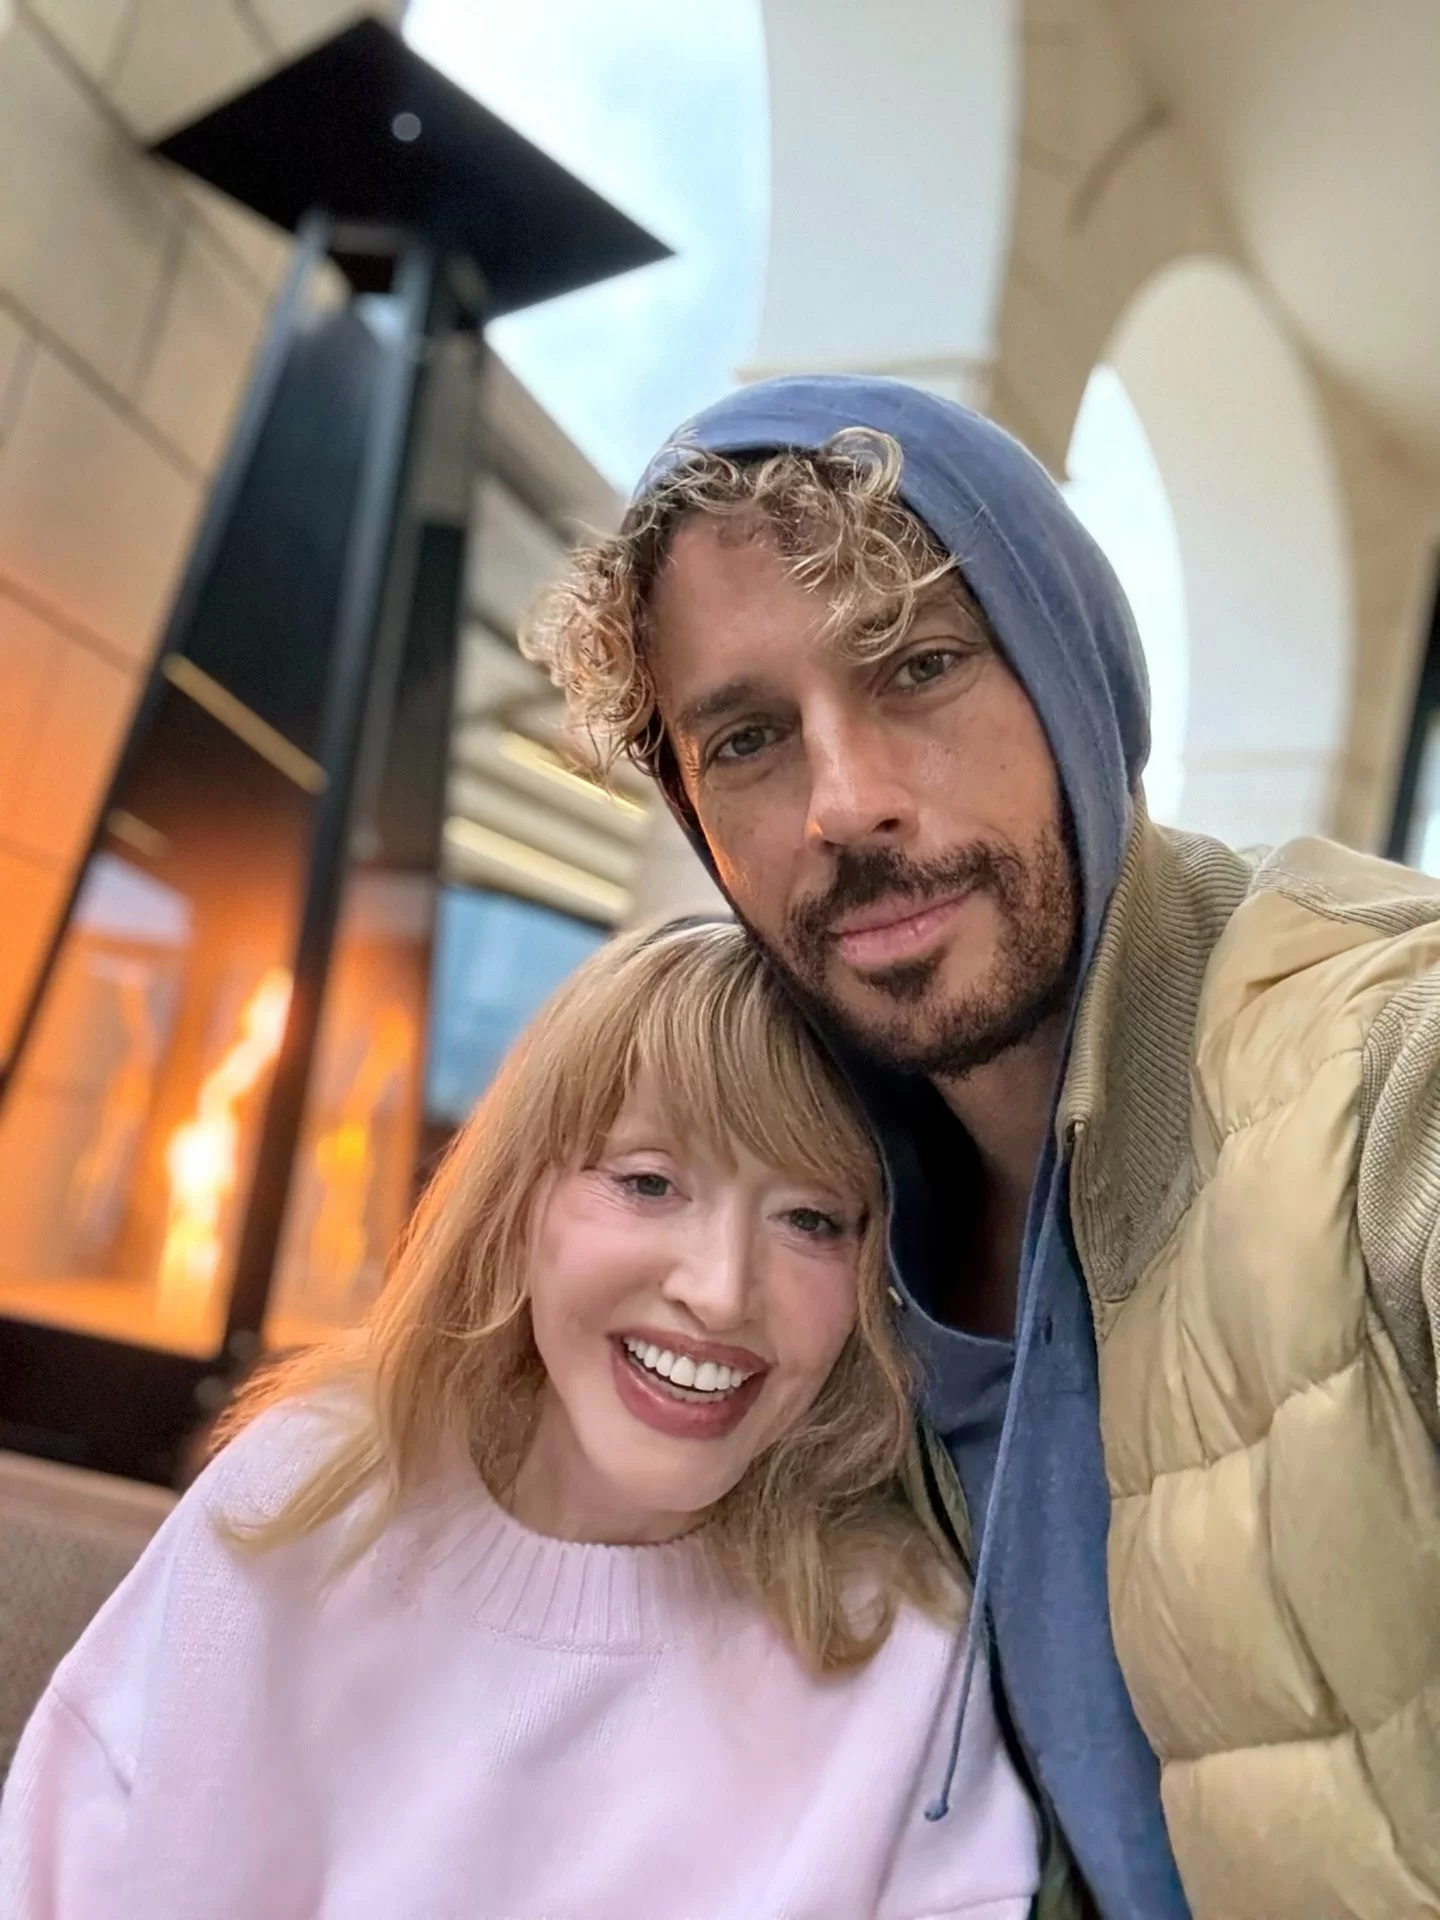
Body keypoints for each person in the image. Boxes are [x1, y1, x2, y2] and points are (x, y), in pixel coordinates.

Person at [522, 377, 1440, 1920]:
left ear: (1072, 674)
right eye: (746, 739)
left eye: (921, 665)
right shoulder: (813, 1230)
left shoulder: (1375, 1068)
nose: (846, 805)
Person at [0, 920, 1056, 1920]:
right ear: (521, 1205)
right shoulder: (302, 1494)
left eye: (813, 1219)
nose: (721, 1290)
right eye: (649, 1183)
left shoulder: (901, 1658)